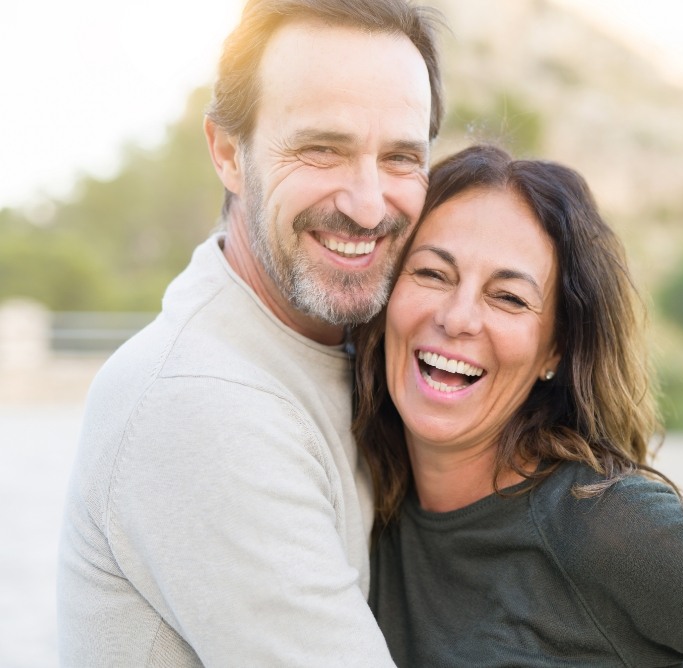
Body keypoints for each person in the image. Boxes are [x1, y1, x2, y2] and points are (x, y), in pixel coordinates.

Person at [56, 1, 445, 665]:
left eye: (402, 157)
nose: (369, 202)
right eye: (322, 149)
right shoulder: (200, 404)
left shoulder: (357, 347)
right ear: (228, 153)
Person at [353, 144, 683, 667]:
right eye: (433, 273)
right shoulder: (349, 497)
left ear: (555, 349)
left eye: (508, 297)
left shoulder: (608, 524)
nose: (457, 318)